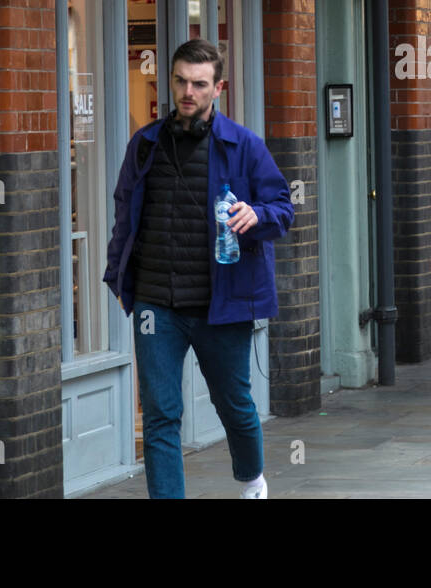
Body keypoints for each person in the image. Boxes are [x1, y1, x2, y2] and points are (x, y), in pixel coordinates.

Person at [104, 39, 296, 499]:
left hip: (221, 303)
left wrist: (259, 216)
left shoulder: (244, 145)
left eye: (199, 83)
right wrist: (118, 276)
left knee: (234, 405)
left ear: (219, 87)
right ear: (170, 80)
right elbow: (124, 211)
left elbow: (283, 207)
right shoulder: (145, 144)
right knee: (160, 415)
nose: (188, 91)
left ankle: (252, 481)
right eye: (181, 81)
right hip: (156, 305)